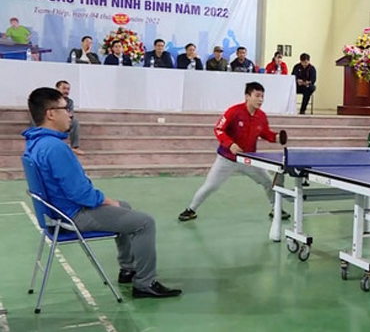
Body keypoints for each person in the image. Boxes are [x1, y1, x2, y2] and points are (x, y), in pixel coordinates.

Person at [24, 87, 182, 298]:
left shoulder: (35, 143)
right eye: (65, 109)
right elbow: (80, 193)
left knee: (124, 207)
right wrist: (105, 200)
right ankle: (145, 283)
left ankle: (128, 269)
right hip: (72, 214)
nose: (70, 114)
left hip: (57, 212)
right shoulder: (55, 148)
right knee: (145, 222)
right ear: (51, 114)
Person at [178, 82, 288, 222]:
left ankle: (276, 209)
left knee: (268, 183)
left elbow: (265, 133)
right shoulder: (233, 111)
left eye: (262, 96)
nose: (260, 99)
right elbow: (218, 129)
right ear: (247, 96)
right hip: (227, 159)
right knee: (211, 186)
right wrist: (230, 144)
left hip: (249, 160)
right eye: (257, 96)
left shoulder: (261, 116)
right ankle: (191, 209)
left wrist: (276, 137)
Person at [55, 80, 84, 156]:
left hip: (63, 121)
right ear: (57, 89)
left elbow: (70, 114)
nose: (66, 91)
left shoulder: (69, 102)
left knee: (74, 122)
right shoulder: (50, 99)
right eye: (64, 88)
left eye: (68, 89)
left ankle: (75, 147)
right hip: (51, 121)